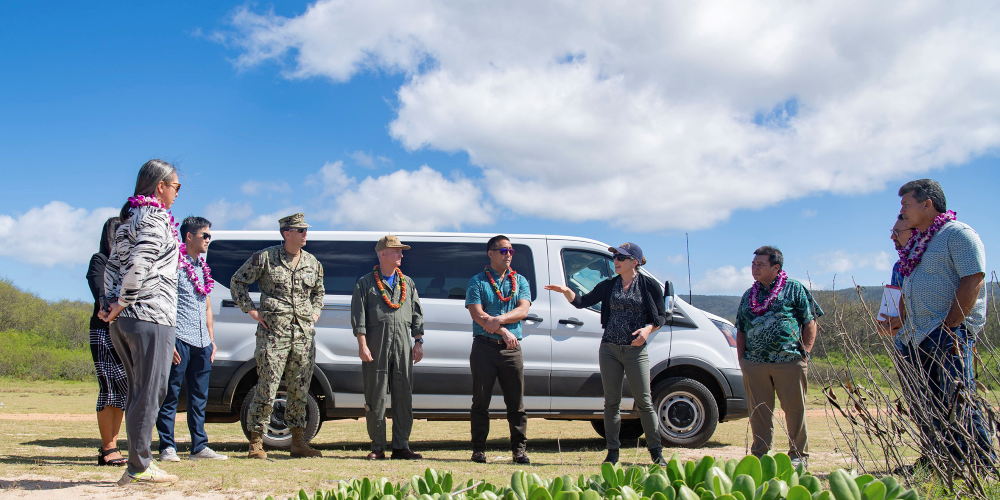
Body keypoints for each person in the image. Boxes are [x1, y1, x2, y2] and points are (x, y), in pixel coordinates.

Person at [896, 179, 994, 465]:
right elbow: (908, 286)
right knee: (927, 405)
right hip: (915, 336)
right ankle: (942, 461)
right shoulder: (917, 242)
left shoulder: (958, 234)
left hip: (947, 333)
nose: (902, 211)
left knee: (958, 401)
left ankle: (980, 465)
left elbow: (973, 278)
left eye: (906, 204)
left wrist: (951, 325)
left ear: (927, 204)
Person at [545, 242, 667, 465]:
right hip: (609, 349)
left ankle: (656, 452)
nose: (616, 260)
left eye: (621, 257)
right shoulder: (610, 285)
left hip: (636, 351)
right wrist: (566, 291)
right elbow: (582, 302)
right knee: (612, 402)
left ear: (635, 262)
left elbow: (660, 317)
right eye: (615, 257)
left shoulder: (649, 285)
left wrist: (648, 330)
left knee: (644, 402)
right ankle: (612, 451)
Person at [99, 159, 182, 485]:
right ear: (160, 186)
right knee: (150, 392)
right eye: (175, 186)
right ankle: (140, 466)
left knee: (138, 392)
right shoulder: (156, 217)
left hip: (125, 321)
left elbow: (111, 267)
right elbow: (141, 261)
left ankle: (136, 466)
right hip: (150, 316)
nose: (177, 193)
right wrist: (120, 302)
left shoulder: (128, 220)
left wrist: (111, 305)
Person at [230, 213, 325, 459]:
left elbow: (319, 292)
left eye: (306, 230)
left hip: (303, 336)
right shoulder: (265, 258)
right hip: (273, 334)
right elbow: (238, 282)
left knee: (299, 390)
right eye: (300, 230)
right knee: (268, 387)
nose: (306, 234)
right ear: (286, 233)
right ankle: (255, 443)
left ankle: (298, 442)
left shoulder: (312, 262)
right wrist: (250, 309)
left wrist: (314, 313)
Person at [735, 246, 822, 469]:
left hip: (790, 362)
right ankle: (761, 457)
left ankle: (798, 457)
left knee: (795, 411)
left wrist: (805, 353)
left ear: (776, 267)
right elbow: (741, 329)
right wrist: (742, 360)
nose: (754, 268)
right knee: (759, 413)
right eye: (753, 264)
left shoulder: (794, 289)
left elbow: (809, 321)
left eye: (760, 264)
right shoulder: (749, 294)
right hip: (755, 364)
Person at [156, 216, 227, 462]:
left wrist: (211, 340)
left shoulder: (201, 267)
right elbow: (163, 303)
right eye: (205, 235)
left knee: (199, 397)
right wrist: (169, 339)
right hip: (178, 339)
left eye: (209, 235)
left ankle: (199, 447)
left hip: (202, 342)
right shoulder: (173, 265)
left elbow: (207, 306)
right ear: (189, 236)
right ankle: (167, 447)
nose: (209, 239)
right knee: (170, 394)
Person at [351, 235, 425, 460]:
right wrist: (362, 345)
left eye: (401, 251)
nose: (401, 255)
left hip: (402, 344)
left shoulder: (407, 283)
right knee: (376, 395)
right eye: (396, 251)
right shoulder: (365, 283)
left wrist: (418, 341)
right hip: (376, 344)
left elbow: (416, 313)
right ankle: (377, 446)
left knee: (404, 395)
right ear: (382, 253)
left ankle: (401, 446)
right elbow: (359, 316)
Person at [465, 235, 532, 464]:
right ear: (491, 253)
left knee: (516, 402)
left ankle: (519, 450)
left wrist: (499, 320)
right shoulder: (477, 281)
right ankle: (478, 449)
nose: (509, 255)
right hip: (484, 347)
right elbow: (477, 314)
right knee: (481, 401)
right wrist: (502, 330)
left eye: (511, 251)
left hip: (511, 350)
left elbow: (523, 310)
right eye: (503, 251)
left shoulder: (520, 281)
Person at [86, 216, 128, 467]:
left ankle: (113, 443)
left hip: (125, 331)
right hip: (103, 329)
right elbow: (99, 288)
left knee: (123, 389)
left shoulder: (128, 265)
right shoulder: (100, 259)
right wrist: (106, 304)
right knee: (109, 388)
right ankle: (108, 447)